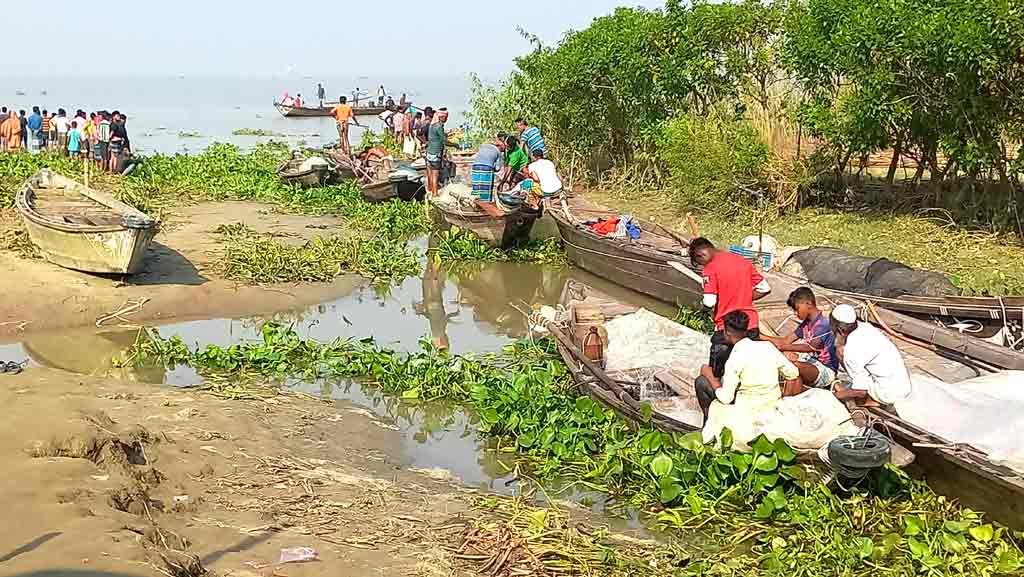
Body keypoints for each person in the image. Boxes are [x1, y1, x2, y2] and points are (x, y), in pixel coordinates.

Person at [695, 311, 801, 440]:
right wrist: (785, 400)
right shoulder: (767, 347)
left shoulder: (735, 357)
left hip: (747, 411)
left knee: (702, 382)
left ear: (727, 333)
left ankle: (706, 428)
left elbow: (726, 398)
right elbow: (793, 374)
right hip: (772, 406)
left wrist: (711, 377)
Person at [689, 237, 772, 379]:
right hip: (750, 325)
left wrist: (702, 311)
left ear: (700, 255)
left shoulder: (710, 269)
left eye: (699, 263)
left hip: (726, 329)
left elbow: (709, 301)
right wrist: (744, 297)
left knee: (716, 375)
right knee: (748, 372)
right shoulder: (742, 261)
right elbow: (765, 288)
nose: (702, 266)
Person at [830, 304, 912, 407]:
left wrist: (835, 396)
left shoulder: (851, 350)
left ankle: (872, 401)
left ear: (841, 331)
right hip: (903, 385)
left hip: (891, 393)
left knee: (841, 353)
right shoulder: (865, 327)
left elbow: (861, 391)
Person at [761, 287, 839, 389]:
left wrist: (782, 346)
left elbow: (809, 347)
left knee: (793, 367)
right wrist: (760, 336)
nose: (795, 313)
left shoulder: (824, 324)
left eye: (797, 309)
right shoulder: (806, 323)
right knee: (784, 356)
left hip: (825, 370)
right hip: (810, 361)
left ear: (809, 304)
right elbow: (786, 340)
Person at [470, 134, 507, 203]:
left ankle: (475, 202)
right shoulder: (498, 153)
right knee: (486, 187)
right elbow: (498, 168)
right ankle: (486, 202)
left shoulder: (484, 146)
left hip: (475, 166)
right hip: (487, 167)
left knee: (477, 186)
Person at [425, 107, 449, 197]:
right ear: (441, 117)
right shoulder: (439, 126)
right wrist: (455, 145)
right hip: (435, 153)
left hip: (429, 153)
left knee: (430, 174)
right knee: (435, 175)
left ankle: (431, 190)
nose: (446, 119)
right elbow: (444, 141)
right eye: (446, 117)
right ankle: (435, 194)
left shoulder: (432, 125)